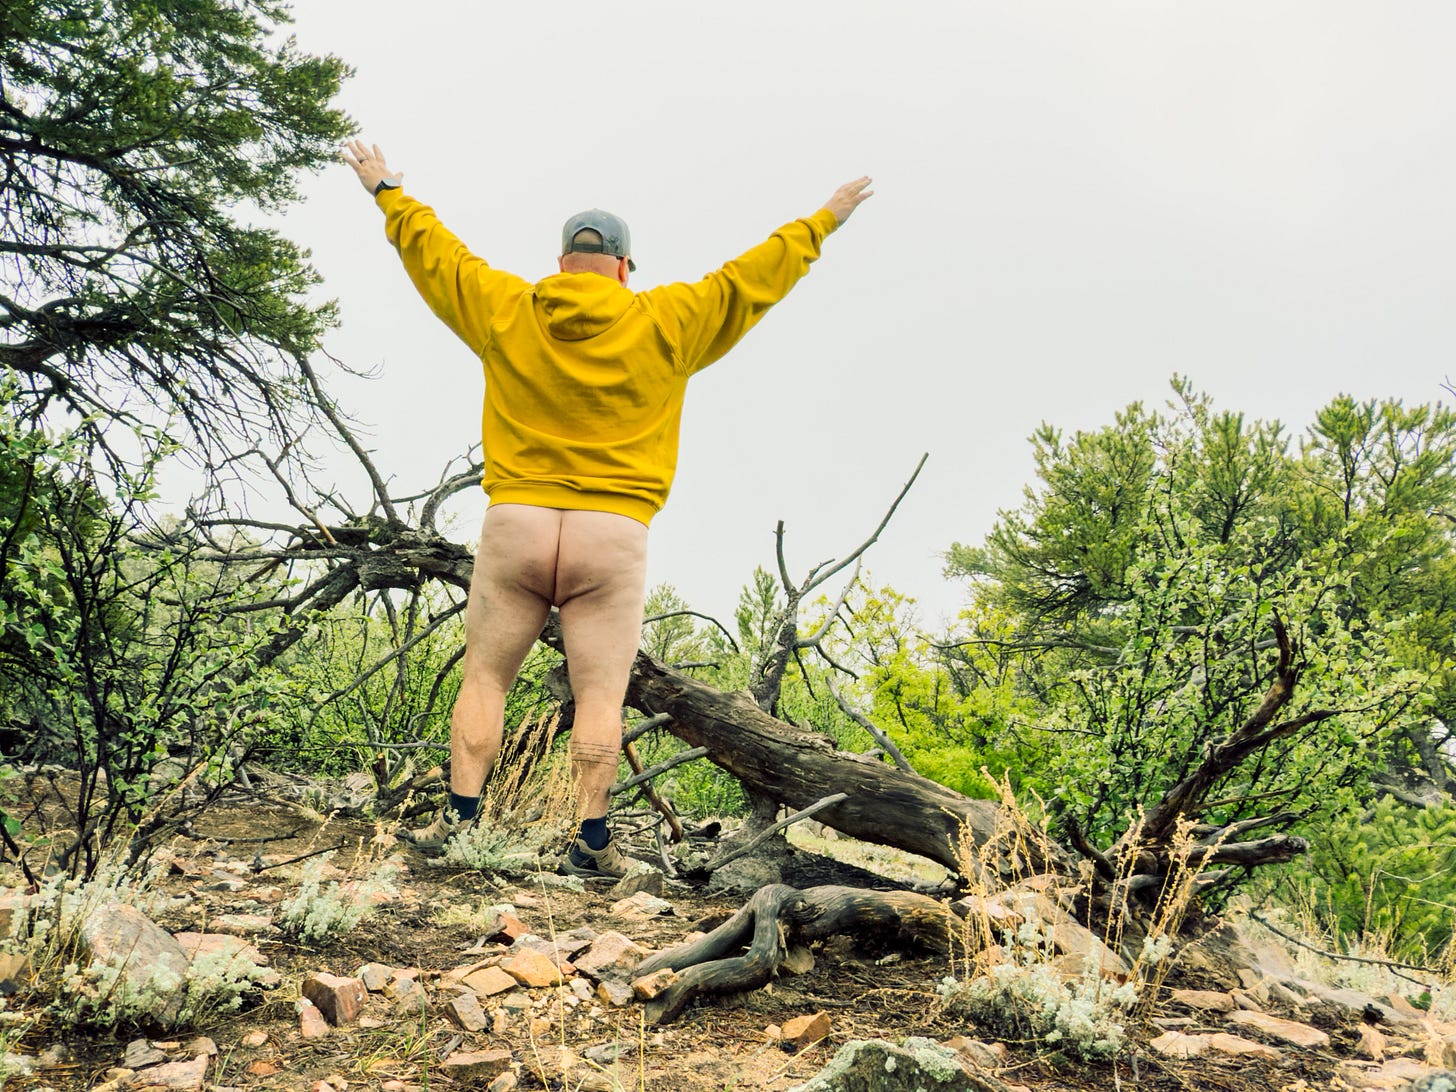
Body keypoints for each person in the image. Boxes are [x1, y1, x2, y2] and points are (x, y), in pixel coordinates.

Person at [342, 138, 873, 877]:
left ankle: (460, 827)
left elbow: (439, 258)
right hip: (611, 534)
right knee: (600, 692)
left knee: (485, 680)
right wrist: (823, 220)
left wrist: (388, 191)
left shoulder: (507, 307)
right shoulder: (669, 318)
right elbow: (751, 278)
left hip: (518, 522)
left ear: (563, 263)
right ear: (624, 267)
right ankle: (589, 844)